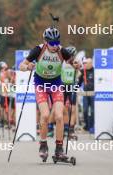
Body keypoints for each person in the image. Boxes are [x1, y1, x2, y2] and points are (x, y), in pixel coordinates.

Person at [19, 27, 79, 160]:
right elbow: (21, 65)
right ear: (46, 42)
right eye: (52, 43)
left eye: (57, 43)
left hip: (56, 85)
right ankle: (43, 144)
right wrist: (27, 67)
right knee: (45, 115)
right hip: (41, 84)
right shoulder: (38, 50)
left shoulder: (62, 51)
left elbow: (73, 62)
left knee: (59, 116)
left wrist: (76, 65)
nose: (55, 46)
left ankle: (59, 149)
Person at [61, 46, 78, 139]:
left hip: (72, 85)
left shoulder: (74, 62)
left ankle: (71, 130)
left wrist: (76, 66)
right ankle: (64, 128)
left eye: (72, 55)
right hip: (63, 85)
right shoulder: (61, 61)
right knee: (62, 108)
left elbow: (79, 67)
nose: (70, 57)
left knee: (73, 109)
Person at [78, 57, 94, 133]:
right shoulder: (82, 71)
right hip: (85, 93)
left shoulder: (95, 71)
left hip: (93, 93)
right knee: (85, 110)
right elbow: (79, 82)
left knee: (93, 111)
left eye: (86, 63)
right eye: (84, 63)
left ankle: (92, 126)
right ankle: (87, 126)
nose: (85, 65)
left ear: (91, 64)